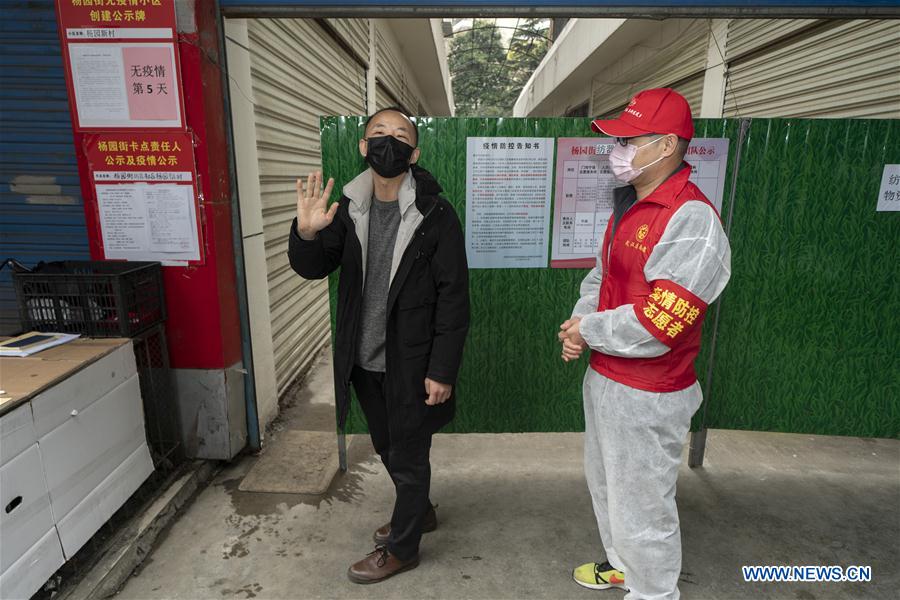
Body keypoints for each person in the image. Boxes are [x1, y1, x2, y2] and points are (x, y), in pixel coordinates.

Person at [558, 88, 732, 599]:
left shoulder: (692, 221)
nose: (619, 151)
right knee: (609, 490)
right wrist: (578, 323)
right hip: (607, 379)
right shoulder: (631, 206)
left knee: (644, 510)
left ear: (667, 146)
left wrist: (589, 332)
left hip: (649, 393)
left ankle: (653, 592)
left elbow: (660, 325)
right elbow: (602, 273)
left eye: (630, 141)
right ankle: (622, 568)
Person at [288, 107, 470, 583]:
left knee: (409, 459)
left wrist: (442, 369)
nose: (390, 143)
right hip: (364, 359)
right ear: (364, 147)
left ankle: (404, 548)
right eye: (379, 135)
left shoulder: (436, 214)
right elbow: (314, 265)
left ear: (415, 151)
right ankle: (420, 513)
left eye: (401, 136)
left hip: (411, 362)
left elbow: (454, 298)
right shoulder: (347, 209)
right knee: (389, 447)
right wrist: (307, 233)